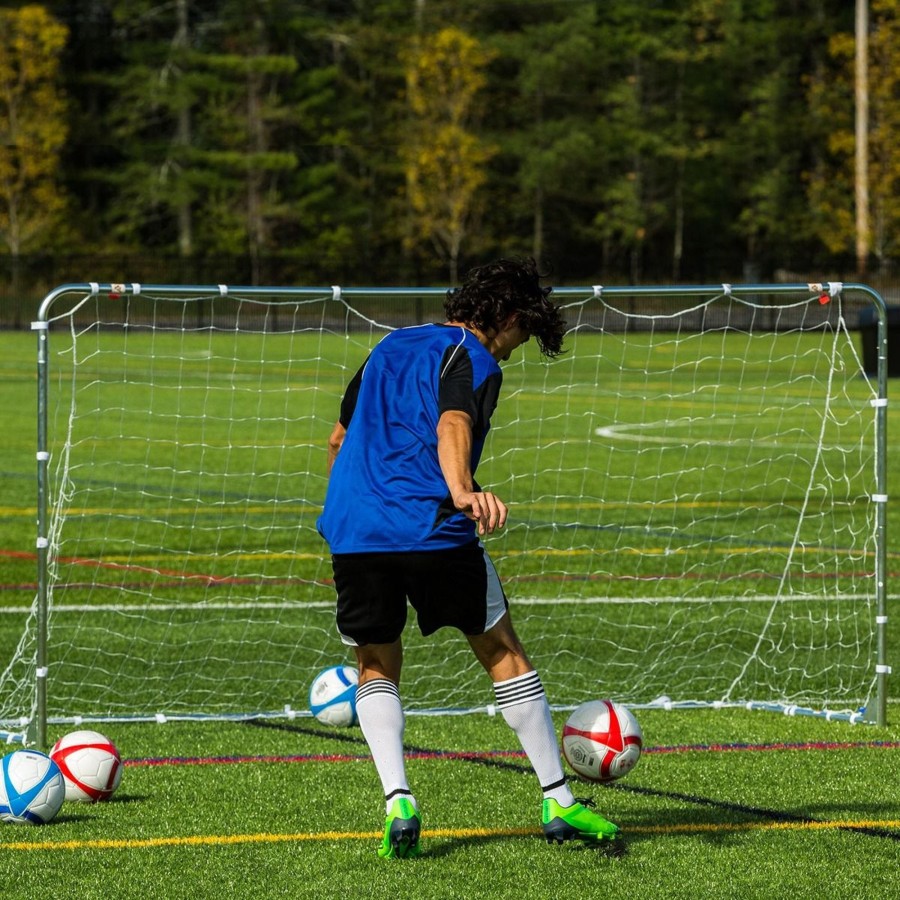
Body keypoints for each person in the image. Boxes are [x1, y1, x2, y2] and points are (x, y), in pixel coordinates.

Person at [316, 257, 620, 859]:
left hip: (355, 530)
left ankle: (397, 799)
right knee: (502, 650)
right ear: (505, 317)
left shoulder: (388, 345)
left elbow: (338, 438)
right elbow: (453, 419)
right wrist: (461, 492)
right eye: (522, 335)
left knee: (375, 662)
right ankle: (558, 800)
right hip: (430, 524)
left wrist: (350, 512)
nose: (514, 350)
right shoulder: (471, 354)